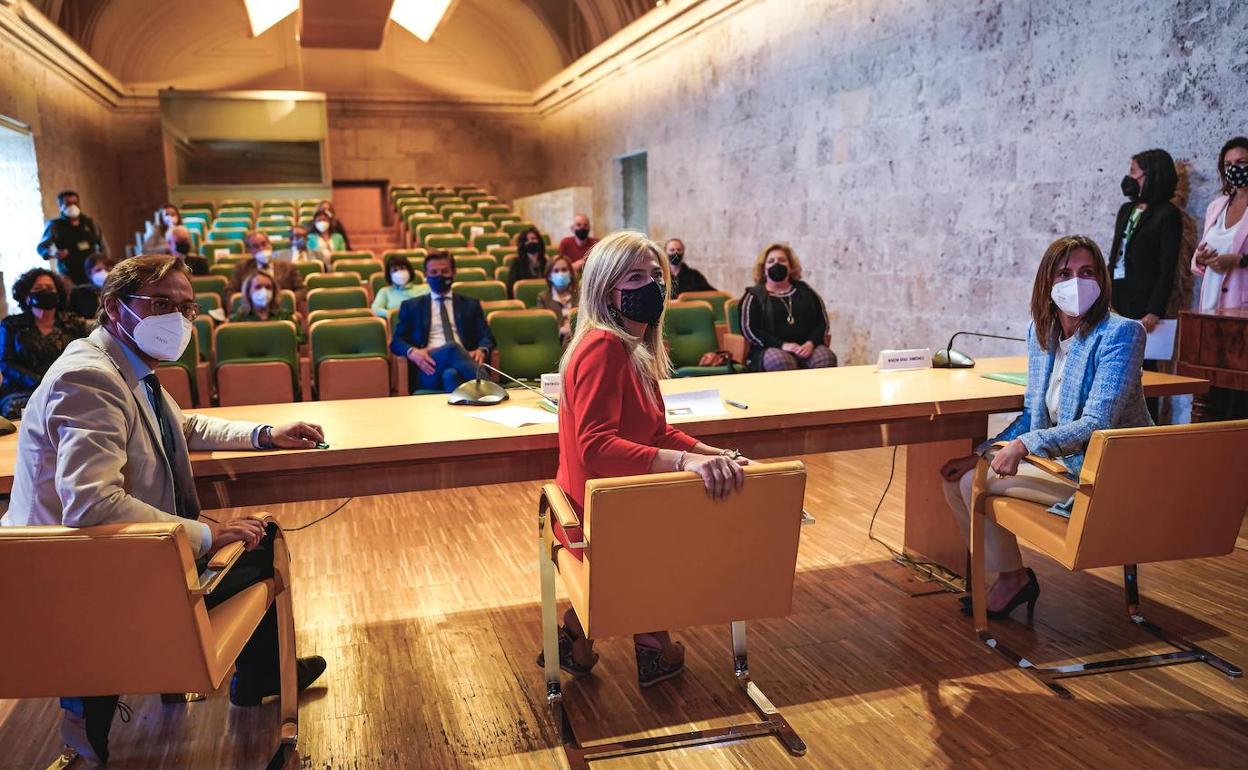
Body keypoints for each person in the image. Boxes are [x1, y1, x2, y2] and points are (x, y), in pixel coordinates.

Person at [0, 255, 329, 764]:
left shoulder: (125, 367)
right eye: (161, 304)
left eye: (186, 307)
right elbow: (92, 504)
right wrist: (204, 534)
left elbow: (186, 427)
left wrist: (265, 434)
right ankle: (97, 713)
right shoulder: (90, 379)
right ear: (114, 308)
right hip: (83, 575)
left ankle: (254, 674)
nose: (177, 318)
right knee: (259, 545)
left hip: (117, 554)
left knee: (256, 540)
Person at [542, 230, 750, 688]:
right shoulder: (602, 347)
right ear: (606, 288)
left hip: (617, 502)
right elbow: (595, 445)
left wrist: (708, 453)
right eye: (634, 276)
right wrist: (683, 464)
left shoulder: (632, 349)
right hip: (590, 513)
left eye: (656, 275)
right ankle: (651, 644)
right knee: (683, 518)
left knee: (678, 504)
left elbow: (656, 430)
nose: (651, 285)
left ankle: (575, 640)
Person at [940, 235, 1151, 619]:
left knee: (974, 483)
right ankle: (1012, 577)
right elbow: (1032, 415)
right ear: (1047, 284)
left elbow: (1095, 424)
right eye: (1064, 273)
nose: (1076, 282)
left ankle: (1011, 581)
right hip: (1062, 465)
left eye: (1087, 272)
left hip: (1104, 474)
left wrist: (1021, 447)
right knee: (958, 476)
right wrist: (978, 453)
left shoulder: (1121, 332)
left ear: (1102, 279)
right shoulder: (1041, 333)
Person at [1107, 148, 1181, 422]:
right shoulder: (1126, 210)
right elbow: (1115, 253)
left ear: (1152, 176)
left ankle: (1148, 425)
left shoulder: (1167, 214)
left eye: (1134, 172)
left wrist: (1155, 308)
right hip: (1119, 295)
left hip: (1144, 302)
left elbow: (1167, 266)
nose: (1130, 178)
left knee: (1145, 368)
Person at [1191, 137, 1248, 421]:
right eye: (1228, 165)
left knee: (1238, 395)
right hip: (1210, 310)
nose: (1234, 169)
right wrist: (1199, 258)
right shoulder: (1217, 205)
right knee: (1210, 393)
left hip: (1242, 312)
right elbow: (1201, 251)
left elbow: (1236, 256)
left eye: (1241, 163)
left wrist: (1238, 262)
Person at [389, 251, 494, 393]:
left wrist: (482, 349)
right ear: (426, 275)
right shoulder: (411, 306)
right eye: (434, 272)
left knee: (450, 375)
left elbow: (486, 336)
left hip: (463, 363)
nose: (439, 276)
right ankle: (492, 391)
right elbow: (396, 342)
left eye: (444, 271)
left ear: (453, 272)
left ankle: (462, 412)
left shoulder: (470, 304)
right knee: (452, 348)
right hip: (429, 368)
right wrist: (412, 352)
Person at [0, 268, 90, 419]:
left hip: (66, 388)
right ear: (27, 296)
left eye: (49, 288)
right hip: (22, 391)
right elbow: (6, 363)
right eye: (38, 289)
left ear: (58, 295)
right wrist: (41, 383)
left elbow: (86, 357)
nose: (44, 292)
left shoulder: (75, 325)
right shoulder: (11, 325)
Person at [740, 243, 836, 372]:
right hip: (770, 349)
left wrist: (810, 343)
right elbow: (750, 330)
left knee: (826, 357)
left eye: (782, 260)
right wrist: (783, 345)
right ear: (763, 269)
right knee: (781, 361)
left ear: (790, 267)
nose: (777, 264)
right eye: (771, 261)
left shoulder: (806, 292)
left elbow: (821, 323)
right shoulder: (754, 296)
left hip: (806, 347)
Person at [38, 190, 107, 285]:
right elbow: (41, 248)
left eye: (75, 203)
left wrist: (104, 266)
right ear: (60, 206)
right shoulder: (55, 226)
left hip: (92, 273)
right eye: (68, 203)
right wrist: (54, 253)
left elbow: (103, 246)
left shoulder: (89, 222)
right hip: (69, 276)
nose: (72, 206)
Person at [230, 270, 305, 344]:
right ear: (248, 291)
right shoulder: (238, 319)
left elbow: (302, 338)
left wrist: (282, 339)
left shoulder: (284, 316)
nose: (264, 291)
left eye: (268, 287)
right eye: (258, 287)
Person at [227, 231, 307, 297]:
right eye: (256, 246)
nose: (261, 249)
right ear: (249, 251)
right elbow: (229, 292)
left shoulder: (288, 267)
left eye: (264, 244)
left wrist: (287, 301)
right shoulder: (242, 268)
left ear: (270, 245)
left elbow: (302, 290)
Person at [535, 255, 579, 345]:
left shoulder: (581, 294)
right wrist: (561, 330)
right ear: (549, 276)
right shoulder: (543, 298)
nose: (560, 274)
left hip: (579, 340)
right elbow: (543, 327)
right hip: (555, 343)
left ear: (570, 273)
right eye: (556, 271)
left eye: (564, 270)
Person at [68, 253, 115, 318]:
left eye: (108, 269)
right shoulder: (80, 295)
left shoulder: (120, 292)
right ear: (89, 274)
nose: (104, 273)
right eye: (98, 270)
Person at [508, 226, 548, 294]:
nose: (530, 242)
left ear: (539, 241)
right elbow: (511, 289)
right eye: (526, 240)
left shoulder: (546, 262)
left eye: (533, 238)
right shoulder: (516, 263)